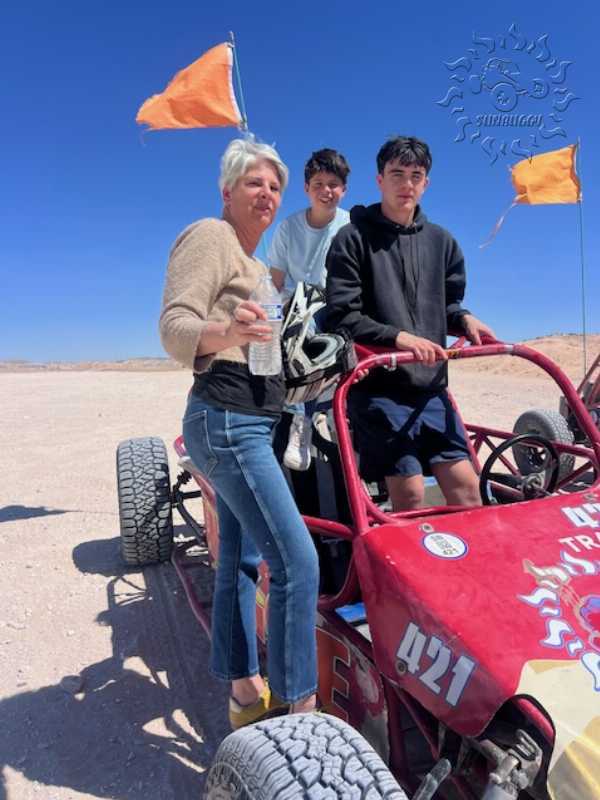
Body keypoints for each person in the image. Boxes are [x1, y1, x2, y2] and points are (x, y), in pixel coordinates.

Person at [159, 138, 319, 728]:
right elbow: (174, 327)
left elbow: (265, 357)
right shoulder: (211, 235)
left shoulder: (258, 270)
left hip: (252, 418)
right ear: (226, 191)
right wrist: (227, 332)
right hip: (225, 418)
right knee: (297, 562)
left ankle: (245, 696)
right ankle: (300, 714)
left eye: (275, 187)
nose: (267, 194)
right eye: (255, 183)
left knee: (240, 560)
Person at [325, 135, 495, 512]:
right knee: (411, 493)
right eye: (397, 174)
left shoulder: (442, 242)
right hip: (378, 388)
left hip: (431, 388)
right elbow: (342, 316)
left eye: (415, 176)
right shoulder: (352, 239)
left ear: (426, 183)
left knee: (468, 489)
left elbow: (447, 306)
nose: (406, 184)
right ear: (379, 180)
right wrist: (399, 338)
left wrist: (464, 318)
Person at [269, 148, 351, 470]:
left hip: (340, 306)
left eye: (333, 184)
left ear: (344, 189)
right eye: (318, 184)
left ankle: (342, 424)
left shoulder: (351, 226)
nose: (326, 191)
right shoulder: (288, 229)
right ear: (306, 188)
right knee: (304, 313)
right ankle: (300, 421)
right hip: (299, 310)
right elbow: (275, 284)